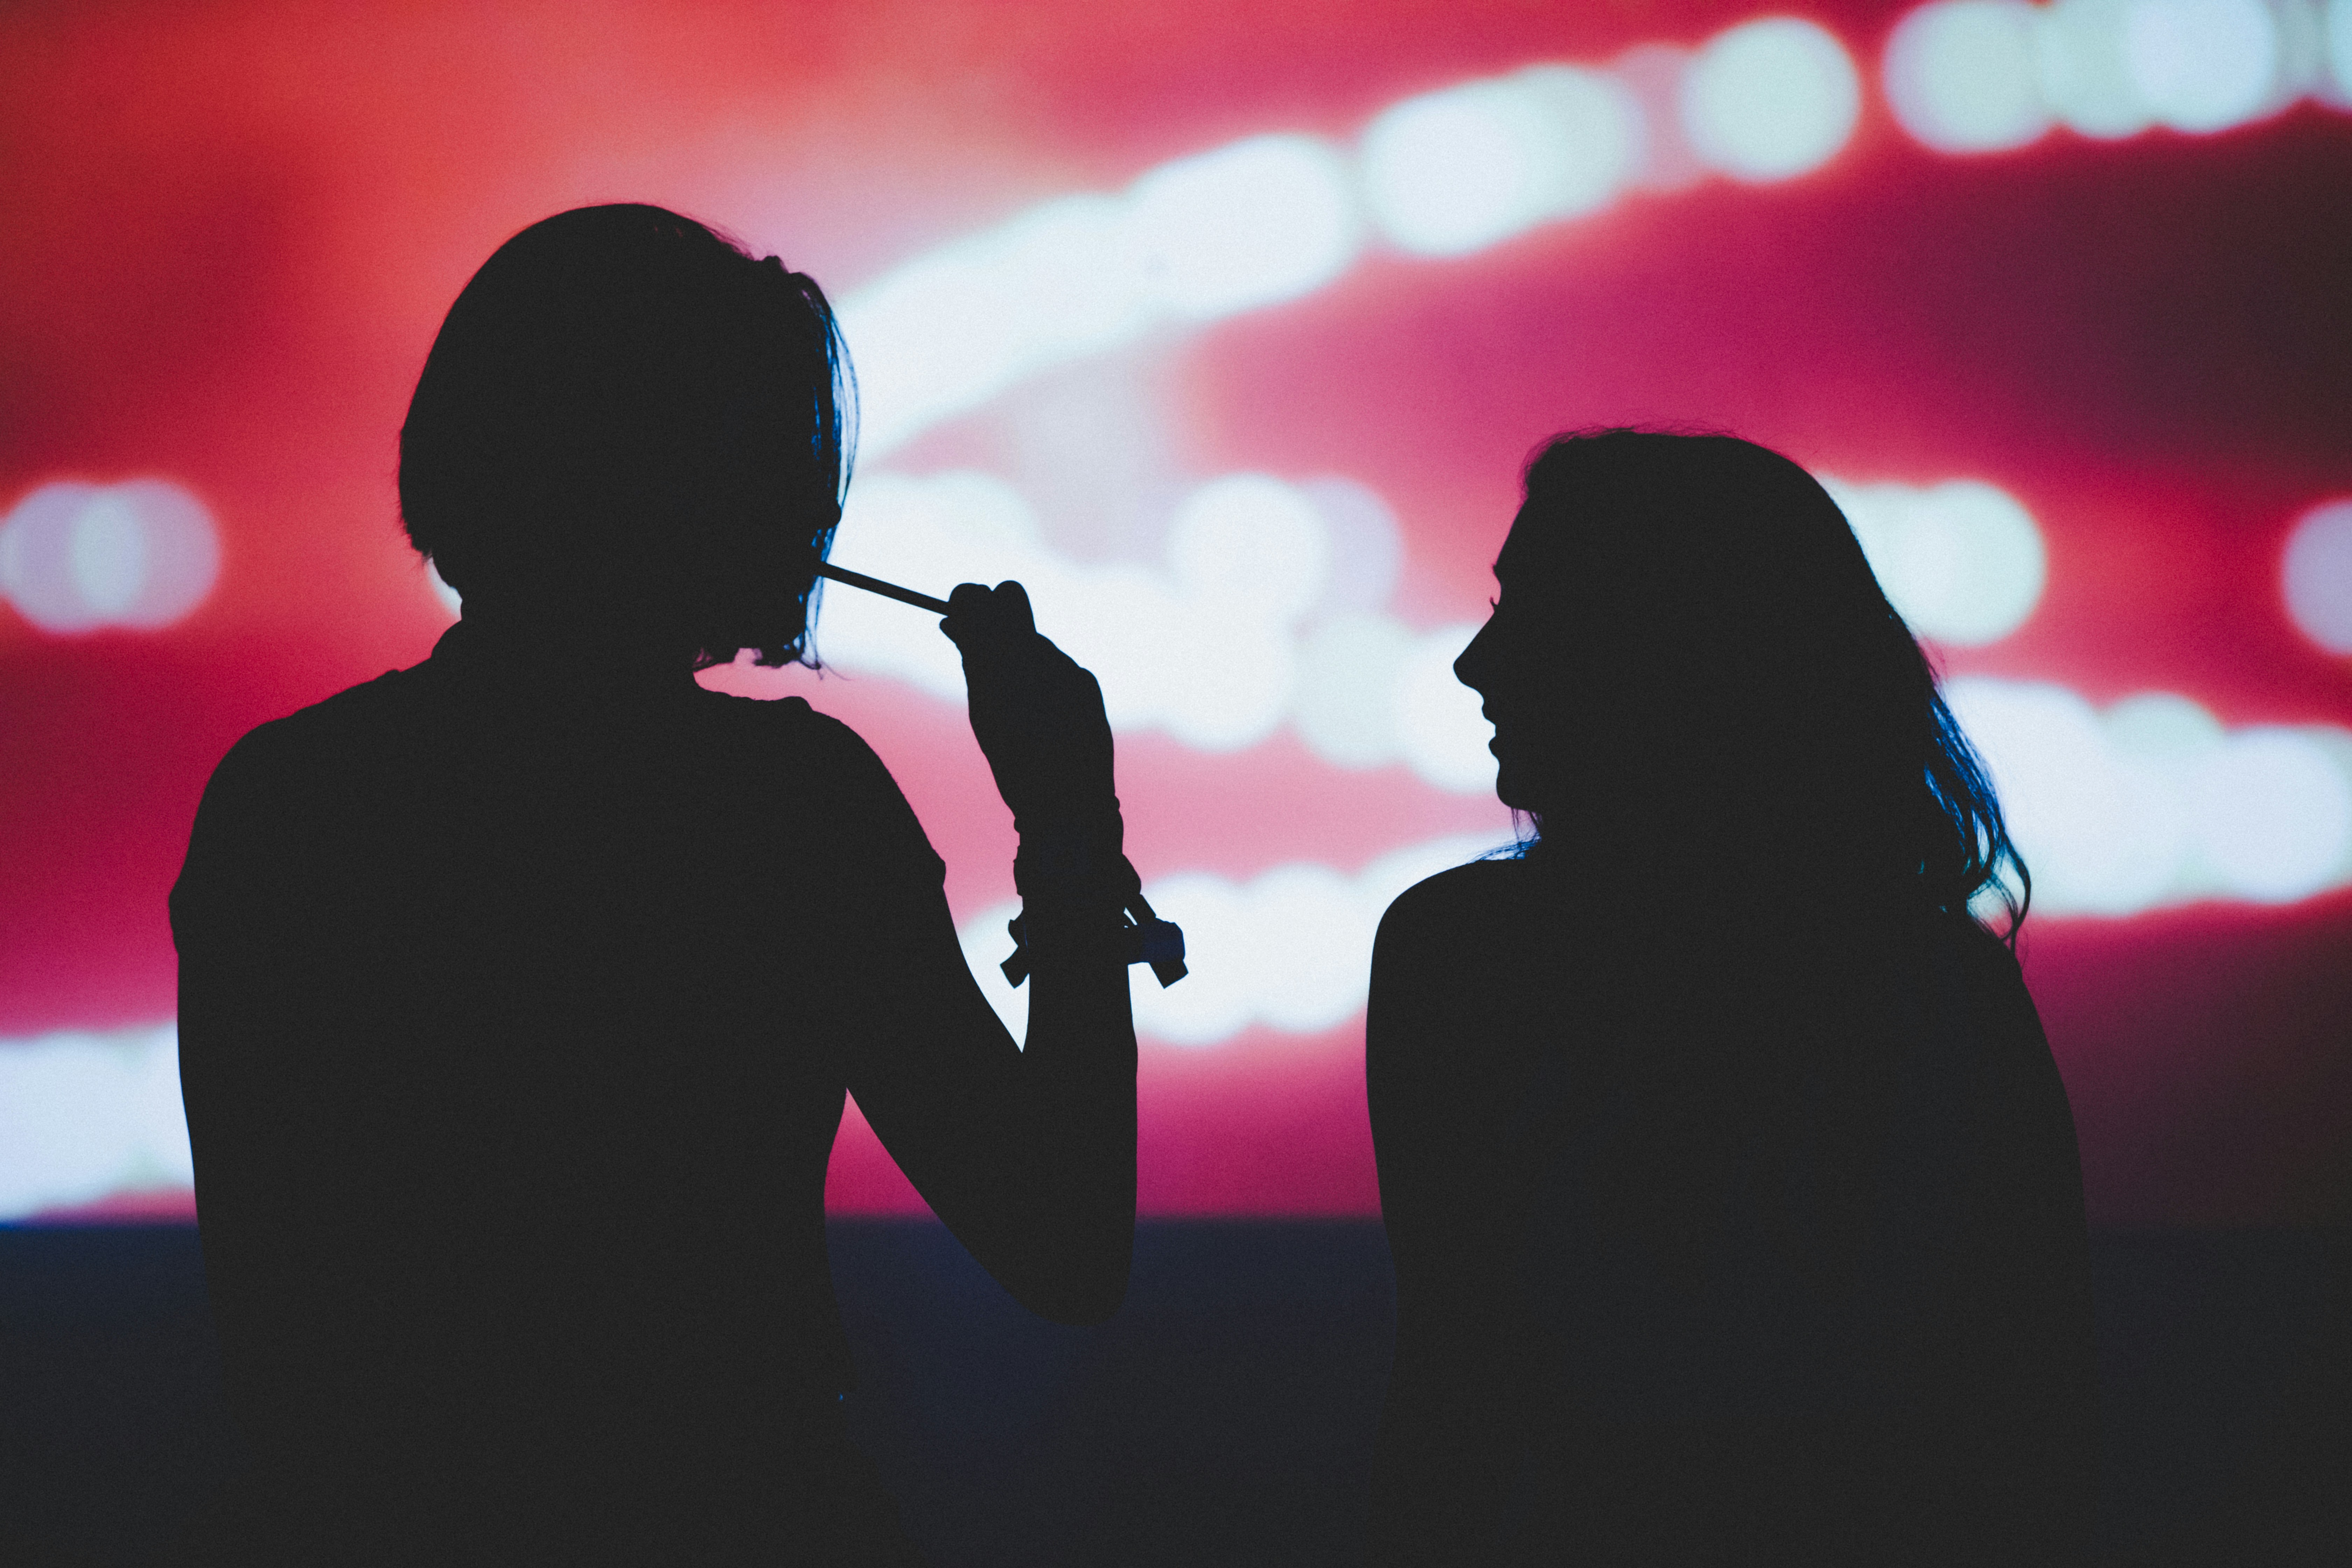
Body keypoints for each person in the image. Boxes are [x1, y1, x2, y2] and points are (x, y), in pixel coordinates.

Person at [168, 205, 1139, 1566]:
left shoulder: (288, 801)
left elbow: (274, 1335)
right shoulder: (796, 811)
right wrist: (1069, 827)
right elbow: (1065, 1242)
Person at [1366, 430, 2100, 1565]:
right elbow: (2024, 1410)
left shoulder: (1462, 958)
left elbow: (1457, 1393)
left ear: (1661, 652)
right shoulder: (1937, 988)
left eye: (1531, 613)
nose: (1475, 662)